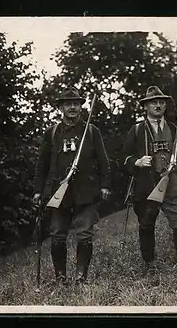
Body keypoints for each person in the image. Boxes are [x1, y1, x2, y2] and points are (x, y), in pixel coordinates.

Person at [32, 87, 112, 285]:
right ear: (60, 107)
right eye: (68, 104)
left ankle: (80, 277)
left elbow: (103, 160)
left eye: (76, 104)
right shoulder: (51, 133)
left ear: (81, 107)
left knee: (85, 235)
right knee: (58, 235)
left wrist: (105, 185)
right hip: (59, 193)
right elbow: (42, 165)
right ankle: (60, 277)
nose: (72, 108)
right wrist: (37, 191)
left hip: (86, 192)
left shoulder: (91, 131)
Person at [122, 86, 177, 280]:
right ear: (145, 106)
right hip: (147, 183)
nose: (158, 105)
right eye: (154, 102)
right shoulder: (137, 130)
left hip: (172, 182)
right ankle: (150, 265)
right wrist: (137, 162)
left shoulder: (174, 128)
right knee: (146, 224)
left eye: (161, 102)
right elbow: (123, 157)